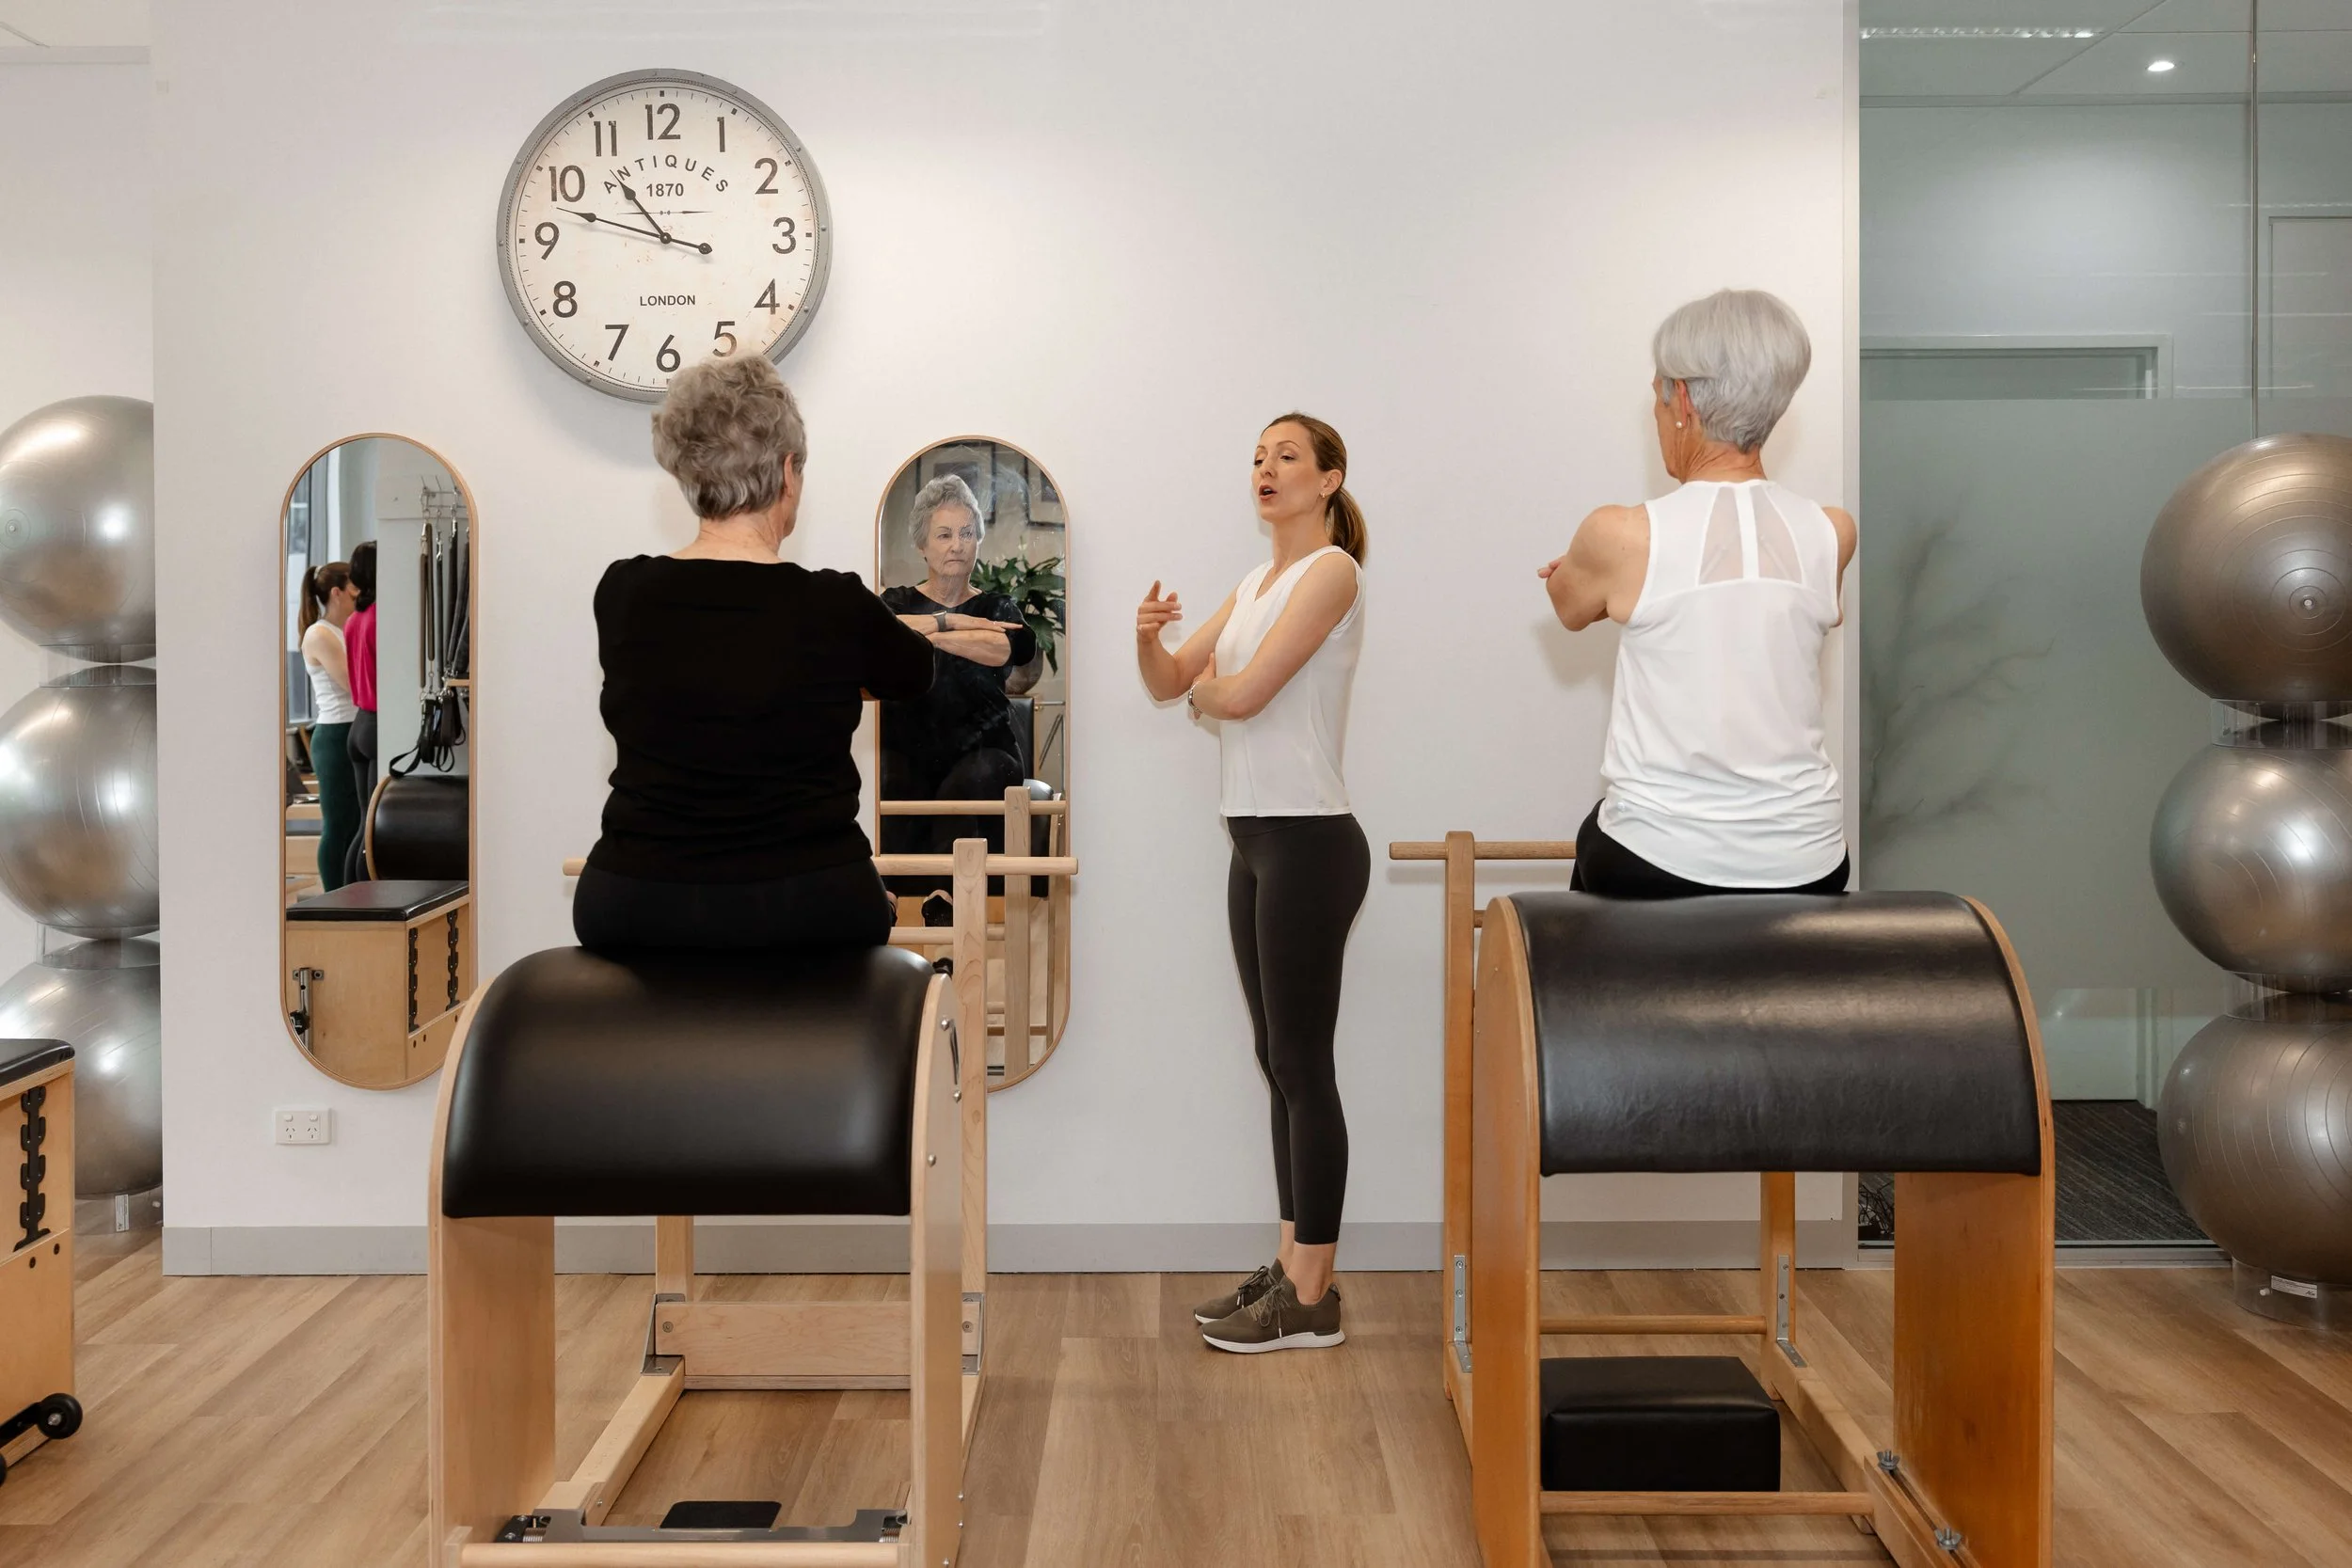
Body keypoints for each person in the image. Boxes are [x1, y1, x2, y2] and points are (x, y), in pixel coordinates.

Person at [1136, 412, 1369, 1354]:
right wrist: (1152, 639)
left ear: (1327, 478)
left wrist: (1200, 684)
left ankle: (1313, 1296)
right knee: (1277, 1058)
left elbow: (1241, 692)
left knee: (1304, 1065)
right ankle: (1291, 1264)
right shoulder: (1254, 581)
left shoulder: (1331, 574)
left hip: (1311, 842)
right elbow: (1172, 683)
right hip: (1255, 840)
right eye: (1258, 457)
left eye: (1286, 457)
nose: (1266, 469)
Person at [574, 354, 935, 952]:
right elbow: (915, 672)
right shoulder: (835, 604)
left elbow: (710, 676)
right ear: (789, 472)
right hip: (807, 904)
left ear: (688, 474)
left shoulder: (622, 592)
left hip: (633, 902)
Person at [1539, 288, 1855, 898]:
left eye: (1656, 395)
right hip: (1810, 862)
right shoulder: (1833, 531)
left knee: (1597, 834)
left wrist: (1585, 567)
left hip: (1658, 858)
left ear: (1679, 398)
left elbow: (1569, 605)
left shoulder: (1619, 532)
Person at [878, 475, 1037, 918]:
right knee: (888, 778)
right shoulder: (896, 601)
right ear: (922, 546)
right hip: (908, 749)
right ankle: (883, 899)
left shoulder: (998, 608)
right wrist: (950, 624)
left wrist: (928, 631)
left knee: (967, 782)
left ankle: (946, 902)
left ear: (978, 542)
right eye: (944, 535)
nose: (956, 545)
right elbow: (879, 634)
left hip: (985, 750)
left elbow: (1008, 647)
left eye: (967, 533)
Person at [297, 562, 361, 891]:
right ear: (336, 593)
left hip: (350, 732)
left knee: (355, 823)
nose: (358, 595)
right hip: (335, 736)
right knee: (338, 824)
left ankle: (351, 892)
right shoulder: (319, 634)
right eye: (353, 589)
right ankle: (334, 895)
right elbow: (353, 684)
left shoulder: (344, 629)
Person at [340, 539, 379, 886]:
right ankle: (362, 899)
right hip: (377, 725)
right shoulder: (381, 616)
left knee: (364, 822)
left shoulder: (355, 619)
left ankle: (352, 895)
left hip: (360, 724)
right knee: (373, 827)